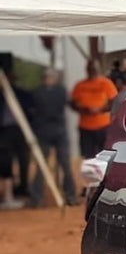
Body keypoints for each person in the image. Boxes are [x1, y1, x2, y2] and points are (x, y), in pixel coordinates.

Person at [26, 68, 79, 207]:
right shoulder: (58, 91)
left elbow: (31, 112)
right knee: (53, 165)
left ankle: (40, 199)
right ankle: (67, 197)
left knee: (55, 165)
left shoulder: (42, 92)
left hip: (50, 131)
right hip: (52, 131)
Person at [71, 59, 119, 159]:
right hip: (85, 127)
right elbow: (72, 103)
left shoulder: (106, 83)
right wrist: (83, 109)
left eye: (94, 69)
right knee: (88, 157)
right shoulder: (80, 85)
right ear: (87, 70)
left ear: (98, 69)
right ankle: (91, 174)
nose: (92, 71)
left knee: (104, 156)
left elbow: (114, 101)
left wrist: (100, 110)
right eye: (90, 69)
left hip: (103, 126)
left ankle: (104, 174)